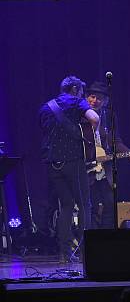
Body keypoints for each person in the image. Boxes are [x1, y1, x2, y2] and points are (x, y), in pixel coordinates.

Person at [39, 75, 100, 262]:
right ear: (75, 90)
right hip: (74, 161)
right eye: (81, 91)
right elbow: (94, 117)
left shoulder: (45, 107)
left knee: (65, 206)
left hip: (53, 163)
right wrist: (94, 132)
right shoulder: (76, 101)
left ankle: (64, 254)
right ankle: (85, 252)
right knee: (84, 205)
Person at [85, 81, 130, 229]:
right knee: (90, 207)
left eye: (99, 98)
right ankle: (91, 242)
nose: (95, 101)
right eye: (92, 97)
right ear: (86, 97)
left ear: (105, 101)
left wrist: (129, 152)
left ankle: (106, 241)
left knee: (110, 205)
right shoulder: (80, 115)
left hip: (105, 168)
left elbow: (116, 141)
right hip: (86, 169)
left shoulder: (109, 117)